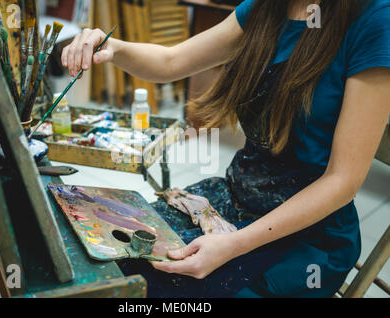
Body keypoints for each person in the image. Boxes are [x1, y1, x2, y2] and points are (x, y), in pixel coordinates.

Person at [62, 0, 390, 297]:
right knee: (116, 262)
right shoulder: (265, 8)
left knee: (163, 292)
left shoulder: (374, 20)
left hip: (306, 238)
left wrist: (232, 245)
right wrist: (112, 46)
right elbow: (170, 61)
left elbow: (342, 181)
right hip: (234, 199)